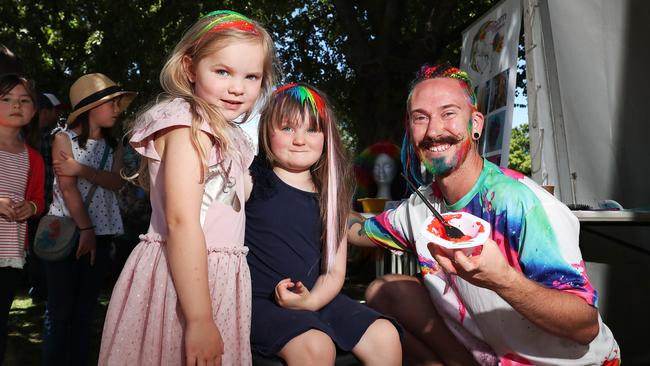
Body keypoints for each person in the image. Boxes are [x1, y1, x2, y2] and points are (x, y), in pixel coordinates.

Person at [348, 63, 620, 365]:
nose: (434, 130)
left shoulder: (521, 205)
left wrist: (502, 278)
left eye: (448, 113)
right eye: (420, 118)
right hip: (490, 355)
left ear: (475, 124)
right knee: (385, 291)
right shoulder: (419, 207)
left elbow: (584, 327)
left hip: (572, 362)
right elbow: (358, 230)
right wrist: (304, 191)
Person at [99, 10, 279, 365]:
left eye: (251, 76)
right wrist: (198, 319)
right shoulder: (186, 126)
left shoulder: (229, 137)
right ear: (189, 69)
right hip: (186, 281)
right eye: (223, 71)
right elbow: (182, 220)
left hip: (218, 280)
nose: (237, 87)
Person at [245, 83, 402, 365]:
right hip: (260, 302)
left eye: (312, 129)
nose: (300, 140)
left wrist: (312, 301)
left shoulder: (331, 194)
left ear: (326, 137)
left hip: (318, 298)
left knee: (385, 335)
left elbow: (332, 271)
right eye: (288, 128)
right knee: (316, 347)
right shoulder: (252, 180)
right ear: (267, 130)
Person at [42, 73, 135, 365]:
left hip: (103, 232)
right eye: (112, 103)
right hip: (68, 230)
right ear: (89, 106)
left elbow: (115, 182)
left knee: (85, 311)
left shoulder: (115, 145)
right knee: (60, 311)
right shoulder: (62, 138)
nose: (118, 109)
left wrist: (80, 169)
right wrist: (86, 229)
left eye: (118, 103)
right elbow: (67, 190)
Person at [0, 74, 45, 364]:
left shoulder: (34, 158)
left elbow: (39, 200)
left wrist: (31, 206)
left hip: (9, 255)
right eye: (6, 99)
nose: (16, 105)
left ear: (33, 111)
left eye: (24, 100)